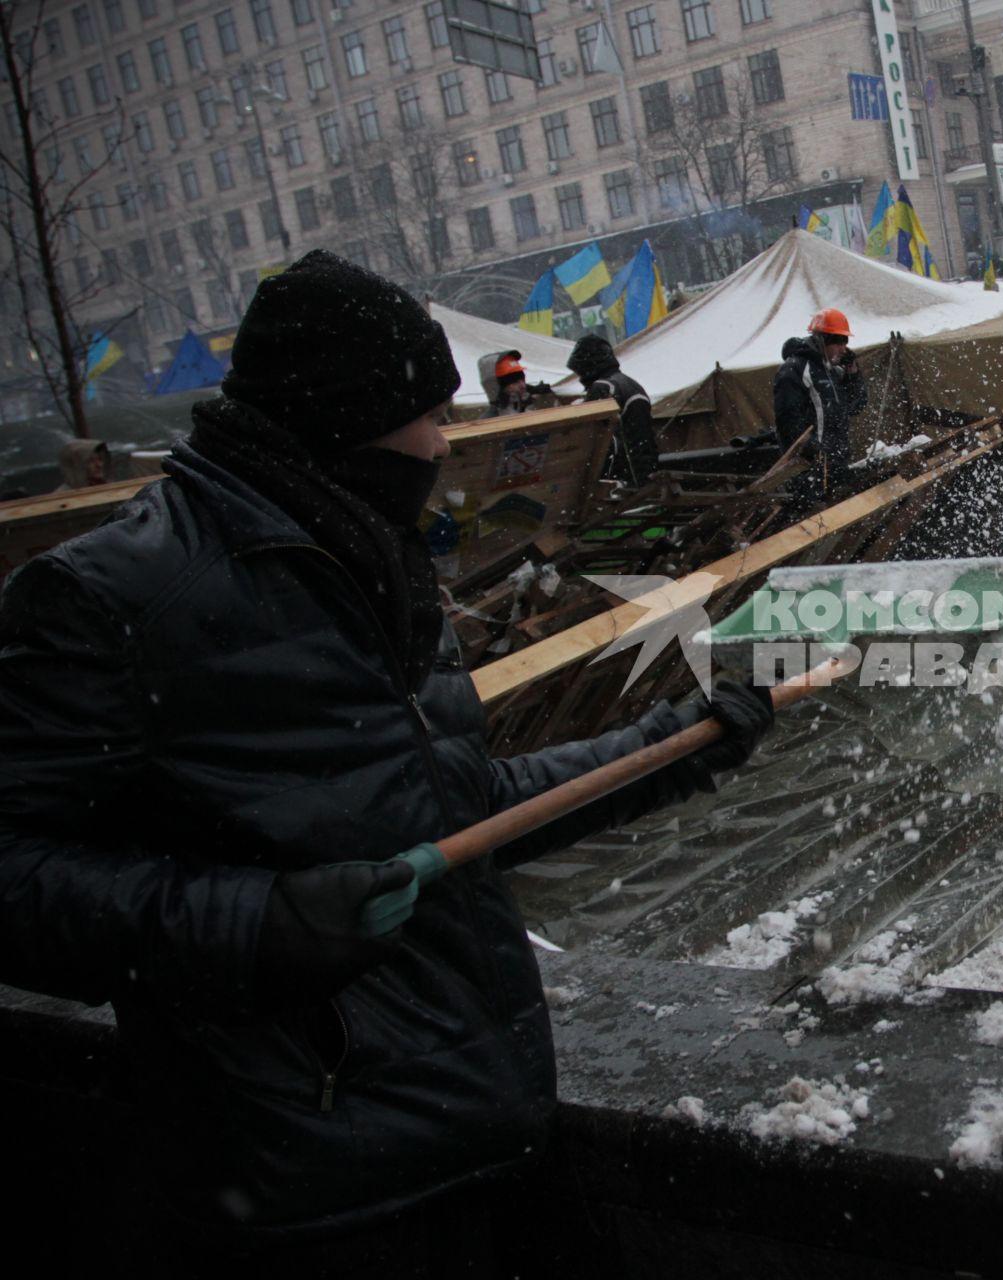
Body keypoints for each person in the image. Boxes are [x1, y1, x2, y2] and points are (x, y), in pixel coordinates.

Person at [0, 249, 774, 1274]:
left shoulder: (369, 566)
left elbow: (457, 812)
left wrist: (680, 746)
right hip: (315, 1200)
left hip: (477, 1153)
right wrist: (252, 926)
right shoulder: (121, 599)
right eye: (431, 413)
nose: (445, 440)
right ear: (347, 415)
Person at [771, 307, 867, 495]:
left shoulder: (831, 372)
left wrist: (853, 374)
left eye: (845, 341)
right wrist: (814, 453)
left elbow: (856, 405)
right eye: (838, 342)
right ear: (822, 340)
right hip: (809, 471)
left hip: (836, 465)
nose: (843, 348)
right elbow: (788, 423)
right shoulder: (795, 369)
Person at [566, 333, 656, 485]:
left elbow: (592, 437)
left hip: (620, 474)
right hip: (640, 468)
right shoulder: (631, 383)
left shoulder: (603, 387)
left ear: (587, 366)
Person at [486, 352, 551, 417]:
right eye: (515, 382)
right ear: (500, 386)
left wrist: (536, 390)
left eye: (523, 380)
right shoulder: (492, 418)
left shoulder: (519, 402)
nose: (523, 385)